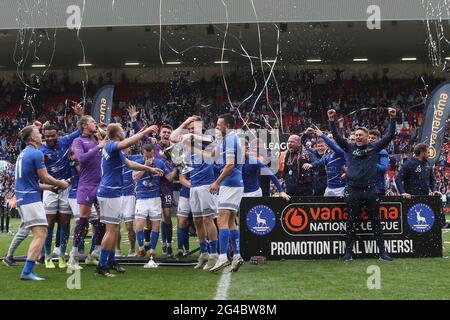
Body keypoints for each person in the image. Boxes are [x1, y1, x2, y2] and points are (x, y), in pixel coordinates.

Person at [327, 108, 397, 261]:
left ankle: (382, 253)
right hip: (353, 191)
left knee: (376, 222)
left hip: (371, 190)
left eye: (360, 135)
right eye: (356, 135)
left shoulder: (374, 148)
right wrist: (332, 121)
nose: (357, 137)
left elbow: (390, 135)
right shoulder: (349, 147)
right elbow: (338, 138)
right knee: (351, 221)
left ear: (367, 137)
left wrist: (392, 118)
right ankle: (348, 253)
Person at [96, 123, 163, 276]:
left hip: (111, 192)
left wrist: (149, 169)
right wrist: (146, 131)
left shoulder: (113, 148)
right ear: (117, 133)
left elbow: (129, 164)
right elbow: (127, 143)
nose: (123, 132)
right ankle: (102, 265)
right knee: (111, 230)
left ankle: (111, 261)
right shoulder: (112, 144)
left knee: (113, 230)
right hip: (110, 192)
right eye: (121, 130)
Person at [15, 125, 69, 280]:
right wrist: (60, 184)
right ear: (32, 138)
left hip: (23, 197)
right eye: (38, 133)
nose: (41, 135)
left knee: (41, 233)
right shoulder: (37, 153)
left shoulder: (23, 153)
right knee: (41, 234)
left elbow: (34, 182)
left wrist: (50, 188)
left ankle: (28, 270)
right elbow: (45, 177)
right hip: (30, 199)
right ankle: (27, 271)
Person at [170, 116, 220, 270]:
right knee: (197, 221)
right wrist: (184, 123)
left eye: (194, 127)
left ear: (201, 127)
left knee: (207, 219)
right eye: (189, 128)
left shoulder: (208, 138)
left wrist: (190, 135)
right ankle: (204, 253)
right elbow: (172, 138)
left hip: (206, 185)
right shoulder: (187, 145)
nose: (191, 130)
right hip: (194, 187)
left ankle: (214, 254)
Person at [68, 115, 108, 269]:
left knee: (102, 221)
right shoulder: (78, 141)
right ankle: (73, 257)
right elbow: (81, 158)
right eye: (92, 122)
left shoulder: (96, 140)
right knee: (83, 221)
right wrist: (98, 146)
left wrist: (100, 143)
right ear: (84, 125)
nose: (95, 124)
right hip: (86, 186)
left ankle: (94, 254)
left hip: (100, 186)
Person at [40, 121, 82, 269]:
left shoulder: (64, 141)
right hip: (50, 189)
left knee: (65, 222)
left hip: (65, 188)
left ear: (57, 135)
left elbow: (79, 129)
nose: (50, 139)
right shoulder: (40, 149)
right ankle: (48, 257)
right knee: (49, 223)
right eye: (47, 136)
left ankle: (62, 256)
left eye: (52, 136)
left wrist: (78, 115)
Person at [209, 114, 244, 272]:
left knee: (221, 221)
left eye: (218, 125)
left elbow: (229, 165)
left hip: (229, 184)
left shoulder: (230, 139)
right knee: (231, 222)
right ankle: (236, 255)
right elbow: (212, 155)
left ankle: (223, 256)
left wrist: (217, 182)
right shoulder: (232, 139)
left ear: (227, 125)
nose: (216, 127)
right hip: (236, 184)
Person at [133, 143, 176, 266]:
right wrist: (145, 167)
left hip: (155, 198)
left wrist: (176, 168)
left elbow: (169, 177)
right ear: (143, 153)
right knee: (140, 224)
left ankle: (152, 252)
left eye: (151, 155)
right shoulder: (137, 162)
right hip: (141, 197)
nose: (149, 158)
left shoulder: (159, 163)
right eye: (147, 156)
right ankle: (141, 248)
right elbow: (135, 178)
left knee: (156, 225)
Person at [303, 128, 347, 197]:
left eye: (331, 137)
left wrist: (322, 135)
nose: (330, 139)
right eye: (328, 138)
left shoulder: (340, 151)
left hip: (340, 188)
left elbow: (333, 146)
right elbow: (320, 163)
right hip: (329, 187)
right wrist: (310, 165)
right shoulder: (326, 153)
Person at [368, 129, 389, 196]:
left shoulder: (382, 152)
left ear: (379, 140)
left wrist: (370, 163)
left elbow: (384, 168)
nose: (370, 139)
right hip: (364, 187)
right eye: (369, 137)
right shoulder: (363, 150)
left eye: (373, 138)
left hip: (377, 188)